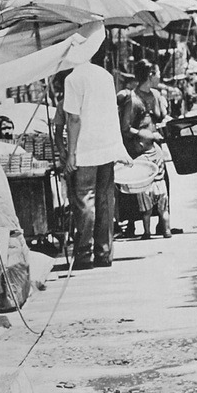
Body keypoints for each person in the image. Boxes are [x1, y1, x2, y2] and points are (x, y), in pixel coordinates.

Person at [64, 42, 130, 269]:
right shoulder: (105, 76)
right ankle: (104, 253)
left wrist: (71, 153)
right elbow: (112, 112)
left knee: (85, 201)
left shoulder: (72, 79)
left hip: (85, 149)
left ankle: (84, 254)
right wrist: (117, 147)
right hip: (105, 146)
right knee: (105, 201)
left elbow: (73, 119)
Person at [120, 59, 170, 239]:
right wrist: (148, 135)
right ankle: (135, 226)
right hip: (139, 151)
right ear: (150, 75)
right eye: (157, 74)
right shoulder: (132, 100)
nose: (159, 77)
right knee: (140, 192)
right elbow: (125, 128)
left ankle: (163, 225)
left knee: (163, 187)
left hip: (156, 150)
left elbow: (161, 117)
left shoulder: (155, 95)